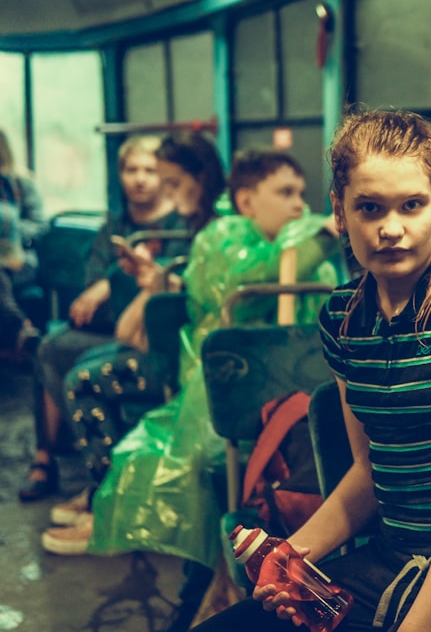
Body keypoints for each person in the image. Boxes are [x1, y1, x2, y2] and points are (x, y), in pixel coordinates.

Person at [192, 110, 431, 632]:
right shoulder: (343, 318)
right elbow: (367, 474)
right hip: (394, 557)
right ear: (340, 212)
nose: (391, 229)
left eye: (412, 205)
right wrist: (290, 558)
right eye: (369, 208)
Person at [78, 147, 350, 628]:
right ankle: (204, 586)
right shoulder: (225, 238)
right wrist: (312, 245)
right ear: (246, 201)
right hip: (216, 393)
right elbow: (238, 286)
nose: (297, 205)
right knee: (205, 468)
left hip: (293, 397)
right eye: (284, 193)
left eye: (302, 194)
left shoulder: (304, 251)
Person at [39, 131, 229, 552]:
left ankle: (108, 511)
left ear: (200, 178)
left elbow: (206, 304)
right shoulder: (196, 230)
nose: (165, 190)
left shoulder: (218, 233)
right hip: (180, 352)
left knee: (88, 380)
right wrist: (155, 280)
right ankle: (103, 495)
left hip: (200, 368)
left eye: (173, 182)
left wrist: (159, 283)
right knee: (74, 361)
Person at [18, 135, 190, 502]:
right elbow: (89, 287)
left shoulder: (179, 224)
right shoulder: (114, 227)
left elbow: (172, 288)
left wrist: (114, 285)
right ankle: (47, 456)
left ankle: (99, 481)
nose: (140, 178)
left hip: (150, 335)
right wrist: (113, 281)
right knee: (49, 348)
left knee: (62, 355)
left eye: (149, 170)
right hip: (108, 328)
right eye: (131, 170)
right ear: (120, 175)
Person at [0, 128, 48, 354]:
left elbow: (39, 225)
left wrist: (9, 230)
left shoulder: (20, 184)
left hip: (20, 260)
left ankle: (19, 327)